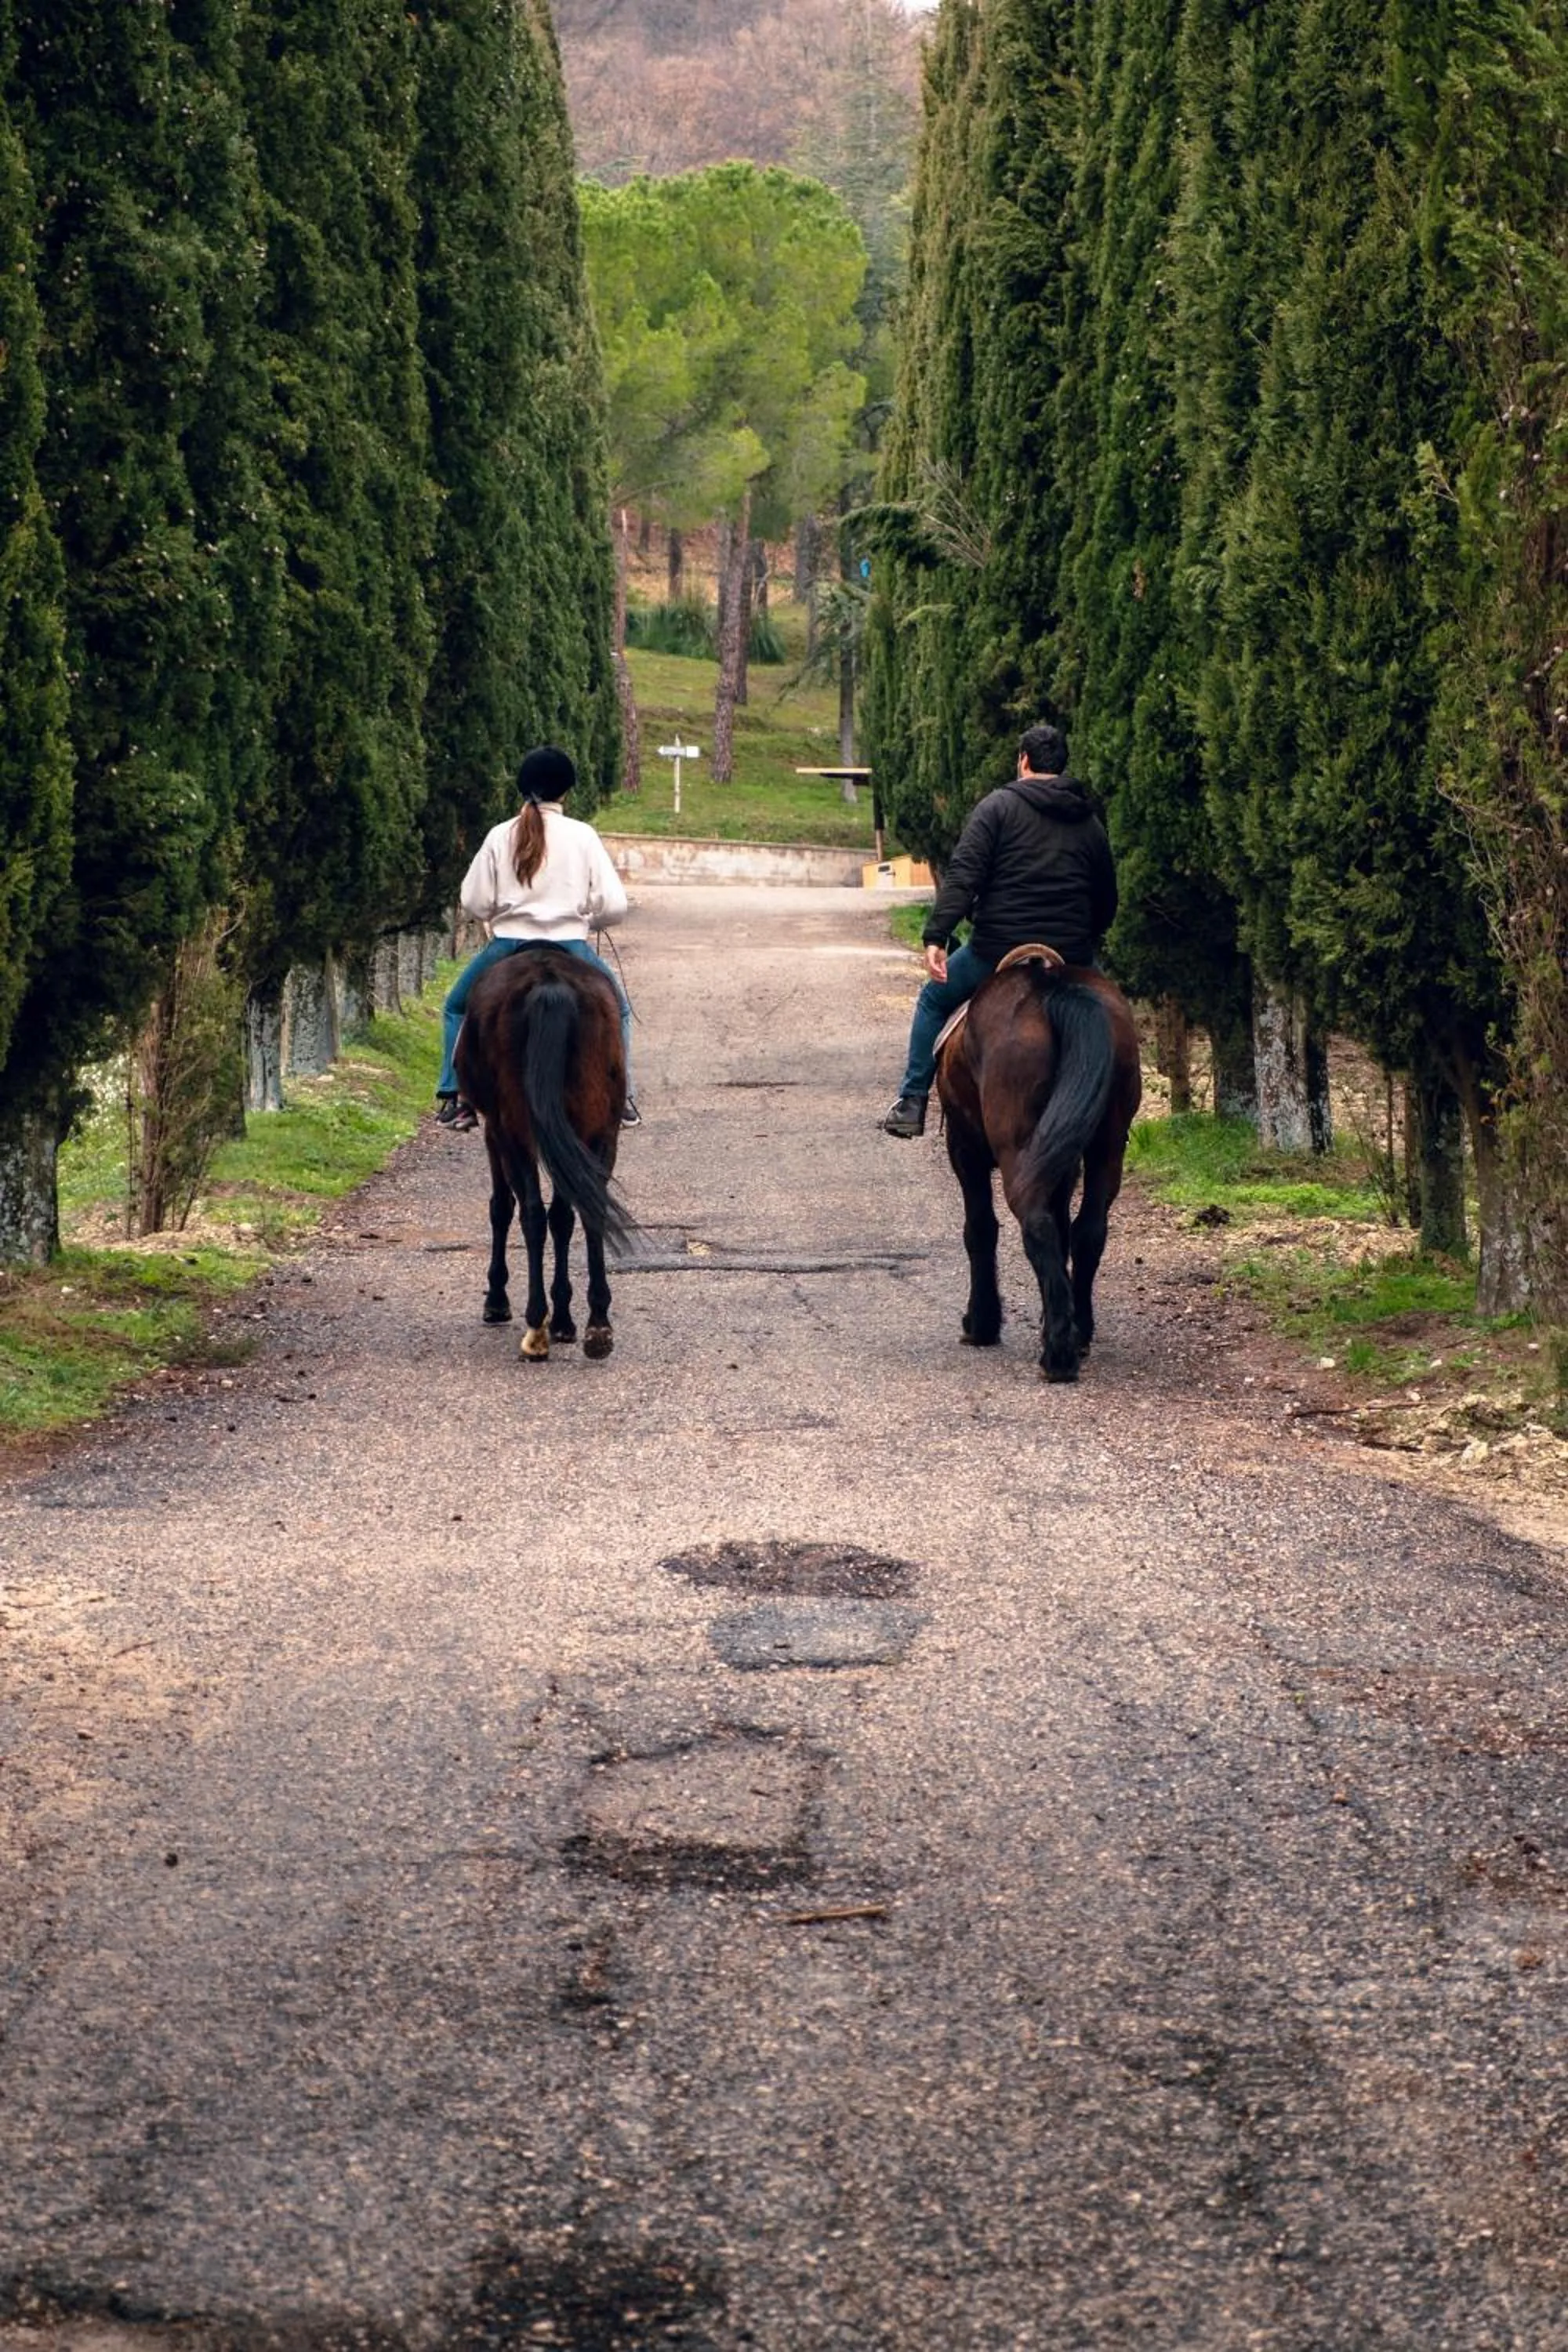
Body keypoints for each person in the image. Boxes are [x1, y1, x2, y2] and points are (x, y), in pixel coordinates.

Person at [882, 720, 1117, 1138]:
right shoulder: (1089, 822)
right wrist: (1085, 939)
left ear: (1023, 760)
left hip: (996, 950)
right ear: (1062, 765)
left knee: (933, 1002)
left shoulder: (996, 808)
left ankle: (912, 1100)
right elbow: (1106, 897)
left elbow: (963, 877)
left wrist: (937, 935)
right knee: (1113, 1019)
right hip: (1070, 953)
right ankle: (1115, 1117)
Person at [436, 745, 638, 1131]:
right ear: (567, 791)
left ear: (523, 787)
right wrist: (586, 921)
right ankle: (622, 1095)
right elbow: (614, 906)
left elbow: (474, 901)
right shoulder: (583, 835)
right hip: (572, 946)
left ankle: (455, 1097)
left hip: (508, 944)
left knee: (456, 1007)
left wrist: (499, 913)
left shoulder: (500, 835)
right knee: (619, 1009)